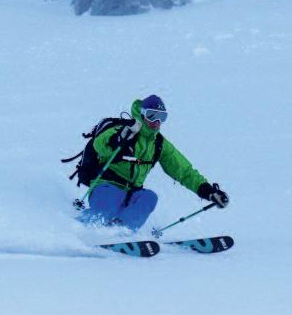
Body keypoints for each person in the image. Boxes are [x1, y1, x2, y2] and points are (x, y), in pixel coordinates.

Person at [76, 94, 228, 233]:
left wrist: (208, 191)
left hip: (133, 193)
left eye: (162, 117)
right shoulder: (126, 130)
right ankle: (79, 230)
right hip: (106, 186)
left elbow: (184, 171)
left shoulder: (159, 144)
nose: (156, 122)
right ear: (142, 114)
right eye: (152, 115)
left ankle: (122, 234)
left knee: (149, 197)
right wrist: (119, 138)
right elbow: (99, 145)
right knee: (108, 209)